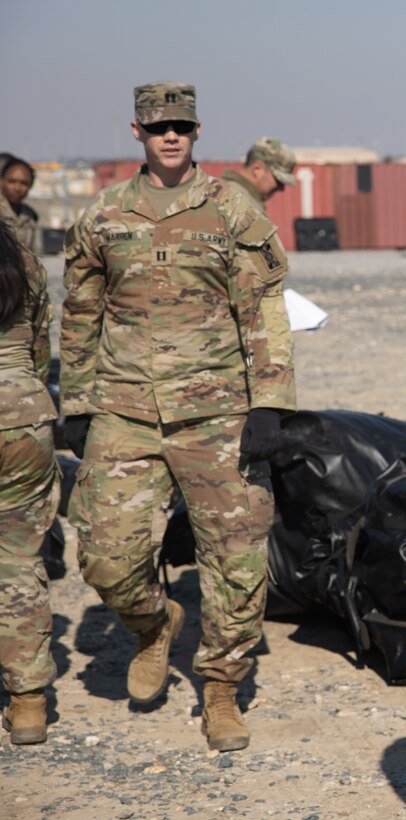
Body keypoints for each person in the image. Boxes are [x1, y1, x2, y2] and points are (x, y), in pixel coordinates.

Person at [61, 82, 296, 752]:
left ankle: (220, 685)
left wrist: (270, 401)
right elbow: (79, 313)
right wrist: (75, 403)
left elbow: (264, 309)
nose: (171, 137)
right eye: (159, 127)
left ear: (196, 132)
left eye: (182, 127)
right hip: (125, 410)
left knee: (237, 557)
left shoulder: (231, 210)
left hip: (217, 412)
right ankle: (153, 627)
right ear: (136, 131)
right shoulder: (103, 215)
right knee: (105, 555)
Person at [0, 219, 59, 745]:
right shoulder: (24, 260)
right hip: (23, 415)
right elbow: (41, 348)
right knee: (17, 560)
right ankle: (28, 704)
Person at [221, 137, 297, 213]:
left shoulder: (239, 197)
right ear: (257, 169)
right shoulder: (236, 199)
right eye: (278, 181)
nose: (281, 188)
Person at [1, 157, 40, 250]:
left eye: (24, 183)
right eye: (12, 182)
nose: (17, 188)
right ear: (1, 181)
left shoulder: (30, 215)